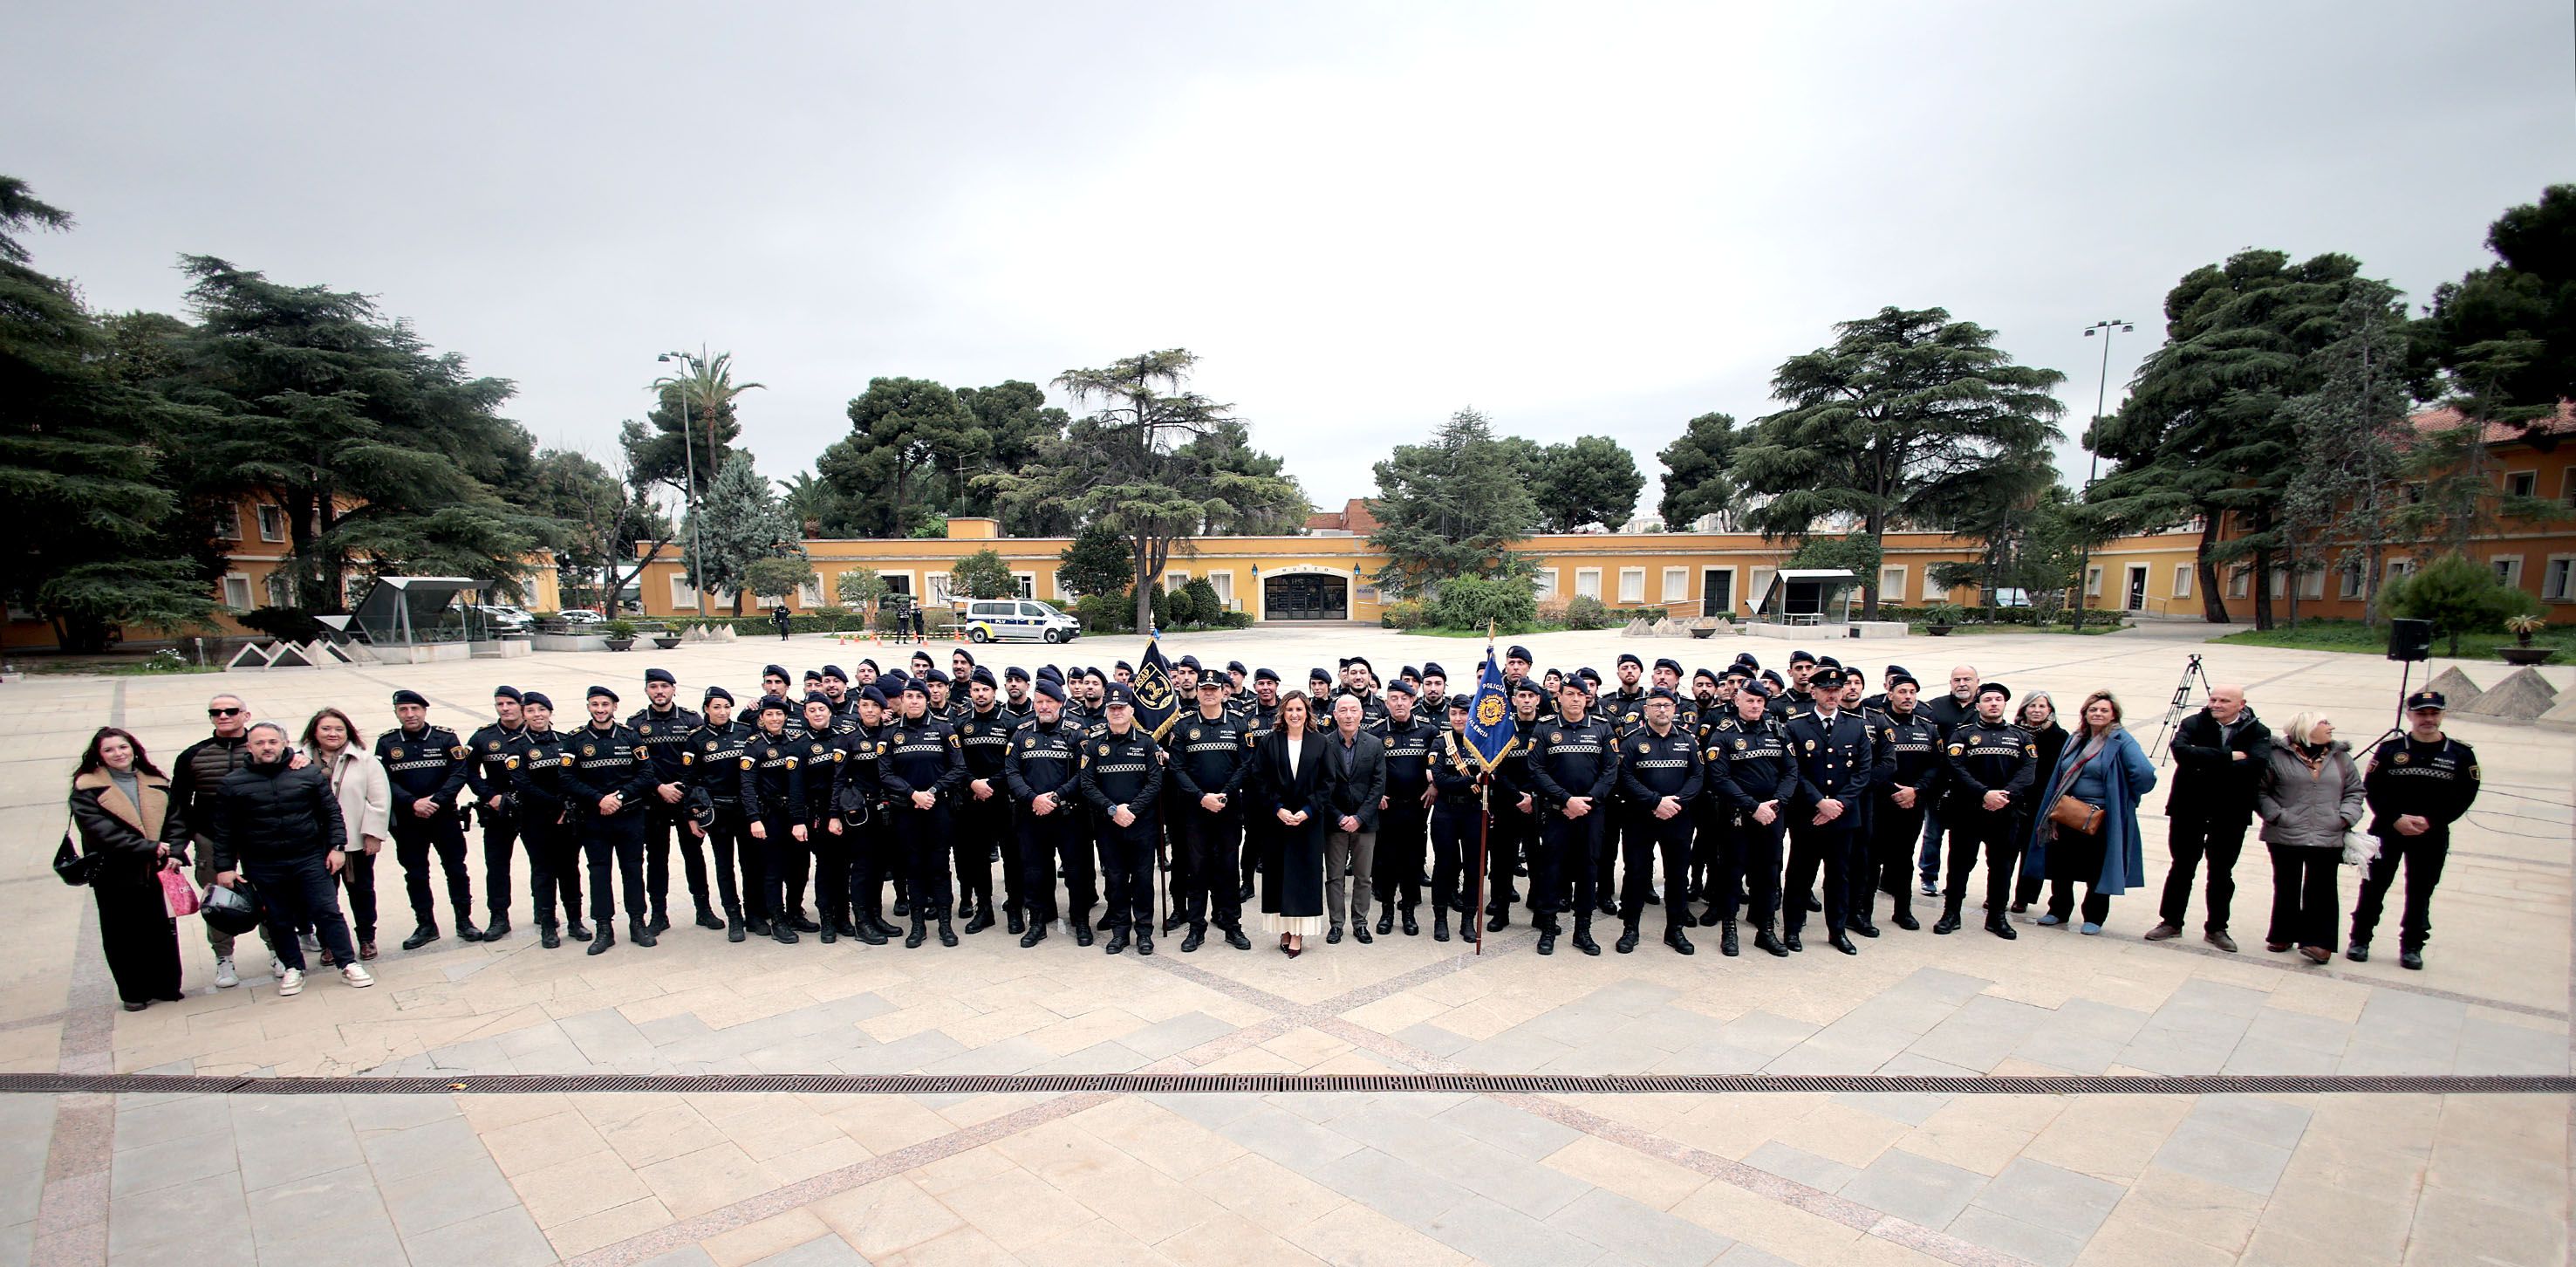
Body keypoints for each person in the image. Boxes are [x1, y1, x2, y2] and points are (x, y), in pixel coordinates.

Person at [207, 723, 372, 996]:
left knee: (327, 910)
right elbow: (224, 830)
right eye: (259, 743)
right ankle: (293, 967)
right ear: (249, 747)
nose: (267, 747)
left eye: (273, 741)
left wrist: (337, 847)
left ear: (284, 743)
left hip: (309, 857)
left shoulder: (306, 773)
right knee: (278, 918)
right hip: (263, 862)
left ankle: (348, 963)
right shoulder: (232, 784)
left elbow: (331, 812)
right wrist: (224, 867)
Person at [2351, 689, 2480, 970]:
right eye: (2422, 714)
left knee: (2420, 891)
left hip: (2431, 834)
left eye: (2434, 713)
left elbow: (2465, 794)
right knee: (2373, 887)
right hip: (2388, 830)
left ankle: (2412, 946)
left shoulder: (2460, 754)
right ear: (2409, 715)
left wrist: (2432, 820)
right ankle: (2360, 939)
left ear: (2443, 715)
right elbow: (2373, 789)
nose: (2428, 719)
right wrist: (2395, 817)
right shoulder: (2390, 750)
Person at [68, 728, 190, 1010]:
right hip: (115, 873)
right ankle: (134, 992)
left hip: (154, 872)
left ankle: (166, 985)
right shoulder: (87, 788)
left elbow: (176, 820)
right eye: (109, 750)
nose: (118, 754)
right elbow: (100, 832)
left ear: (133, 748)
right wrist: (148, 848)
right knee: (121, 935)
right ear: (98, 756)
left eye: (122, 747)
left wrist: (173, 848)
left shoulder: (155, 781)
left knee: (161, 930)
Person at [2147, 684, 2270, 953]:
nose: (2216, 704)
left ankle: (2216, 927)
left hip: (2231, 812)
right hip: (2188, 807)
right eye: (2213, 699)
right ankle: (2171, 921)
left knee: (2222, 871)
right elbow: (2181, 753)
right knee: (2181, 866)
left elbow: (2257, 765)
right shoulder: (2193, 723)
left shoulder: (2258, 731)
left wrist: (2205, 762)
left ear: (2241, 704)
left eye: (2224, 700)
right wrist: (2229, 757)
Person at [2024, 691, 2157, 935]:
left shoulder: (2121, 740)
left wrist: (2124, 795)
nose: (2097, 714)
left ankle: (2094, 916)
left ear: (2114, 714)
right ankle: (2059, 910)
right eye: (2093, 710)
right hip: (2066, 810)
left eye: (2103, 710)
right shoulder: (2077, 738)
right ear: (2085, 713)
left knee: (2096, 867)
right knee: (2060, 864)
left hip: (2099, 816)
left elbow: (2145, 774)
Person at [2254, 710, 2363, 964]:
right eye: (2324, 723)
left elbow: (2355, 791)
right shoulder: (2276, 756)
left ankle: (2319, 943)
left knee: (2322, 888)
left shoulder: (2341, 758)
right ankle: (2283, 933)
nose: (2331, 727)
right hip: (2285, 831)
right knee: (2286, 884)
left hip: (2328, 831)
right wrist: (2277, 815)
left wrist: (2345, 817)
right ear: (2306, 728)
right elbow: (2260, 791)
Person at [375, 689, 479, 949]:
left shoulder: (445, 737)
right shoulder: (387, 743)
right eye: (403, 710)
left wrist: (436, 800)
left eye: (415, 709)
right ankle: (426, 925)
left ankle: (464, 920)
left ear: (424, 710)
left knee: (456, 869)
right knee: (416, 873)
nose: (410, 714)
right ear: (396, 712)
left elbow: (459, 772)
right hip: (409, 820)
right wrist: (413, 802)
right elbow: (383, 780)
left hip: (443, 816)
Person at [171, 693, 261, 988]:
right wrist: (176, 846)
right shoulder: (192, 756)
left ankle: (278, 950)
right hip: (211, 838)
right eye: (216, 712)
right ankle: (224, 957)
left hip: (259, 837)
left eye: (231, 711)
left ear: (245, 715)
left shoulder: (264, 746)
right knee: (218, 901)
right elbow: (179, 804)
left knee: (268, 895)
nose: (223, 716)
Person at [1780, 667, 1872, 955]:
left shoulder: (1856, 726)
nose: (1832, 695)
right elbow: (1794, 771)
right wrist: (1820, 802)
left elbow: (1862, 771)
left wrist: (1838, 805)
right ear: (1814, 692)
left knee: (1839, 877)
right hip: (1808, 815)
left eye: (1837, 690)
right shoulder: (1796, 727)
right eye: (1826, 690)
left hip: (1843, 818)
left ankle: (1838, 930)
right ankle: (1793, 929)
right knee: (1799, 874)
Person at [563, 685, 657, 955]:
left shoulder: (630, 736)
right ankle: (604, 928)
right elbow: (567, 778)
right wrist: (598, 799)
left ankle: (638, 924)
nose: (600, 709)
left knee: (633, 871)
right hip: (595, 819)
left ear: (615, 707)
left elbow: (646, 774)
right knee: (599, 873)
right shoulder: (575, 740)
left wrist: (619, 796)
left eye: (605, 704)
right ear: (589, 707)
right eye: (595, 704)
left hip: (629, 816)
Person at [1936, 682, 2033, 940]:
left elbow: (2027, 771)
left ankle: (1997, 917)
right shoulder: (1963, 735)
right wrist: (1984, 793)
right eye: (1988, 699)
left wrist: (2004, 795)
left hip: (2005, 811)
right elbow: (1955, 767)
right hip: (1968, 810)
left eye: (1998, 700)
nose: (1993, 703)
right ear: (1978, 705)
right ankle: (1951, 913)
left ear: (2004, 705)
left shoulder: (2021, 737)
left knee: (2002, 866)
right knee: (1959, 864)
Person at [1526, 679, 1615, 956]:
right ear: (1560, 697)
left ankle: (1583, 931)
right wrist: (1566, 800)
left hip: (1590, 814)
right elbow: (1536, 770)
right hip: (1557, 813)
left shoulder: (1601, 727)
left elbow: (1610, 771)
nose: (1575, 699)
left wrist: (1585, 802)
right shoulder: (1545, 728)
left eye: (1581, 695)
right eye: (1570, 695)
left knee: (1588, 871)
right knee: (1552, 870)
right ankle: (1549, 928)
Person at [1008, 678, 1096, 947]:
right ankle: (1037, 922)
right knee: (1035, 871)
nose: (1044, 707)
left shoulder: (1077, 733)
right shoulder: (1021, 733)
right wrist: (1033, 799)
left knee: (1076, 871)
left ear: (1060, 703)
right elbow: (1011, 772)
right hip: (1032, 815)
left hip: (1069, 815)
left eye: (1049, 702)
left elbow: (1085, 774)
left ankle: (1080, 921)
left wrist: (1057, 797)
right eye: (1039, 702)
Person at [1170, 674, 1255, 951]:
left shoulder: (1238, 724)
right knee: (1197, 870)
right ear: (1197, 692)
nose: (1208, 693)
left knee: (1229, 870)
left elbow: (1246, 765)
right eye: (1204, 689)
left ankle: (1232, 926)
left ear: (1223, 692)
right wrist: (1201, 797)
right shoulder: (1183, 727)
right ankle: (1196, 928)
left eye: (1213, 689)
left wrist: (1224, 794)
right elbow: (1177, 768)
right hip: (1195, 811)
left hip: (1228, 810)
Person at [1616, 688, 1702, 955]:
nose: (1662, 710)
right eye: (1656, 705)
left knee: (1677, 875)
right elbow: (1625, 778)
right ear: (1647, 710)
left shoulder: (1688, 741)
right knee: (1636, 874)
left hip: (1677, 818)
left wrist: (1676, 803)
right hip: (1640, 818)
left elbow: (1698, 776)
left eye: (1666, 705)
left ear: (1675, 709)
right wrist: (1655, 802)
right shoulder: (1632, 741)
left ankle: (1675, 930)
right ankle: (1631, 929)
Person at [1081, 683, 1165, 955]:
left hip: (1142, 826)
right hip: (1109, 826)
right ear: (1106, 712)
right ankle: (1119, 932)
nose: (1116, 712)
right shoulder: (1095, 745)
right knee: (1115, 880)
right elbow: (1087, 784)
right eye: (1112, 708)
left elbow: (1155, 783)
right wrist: (1113, 809)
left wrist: (1132, 810)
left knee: (1142, 880)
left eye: (1121, 708)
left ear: (1131, 711)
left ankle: (1143, 932)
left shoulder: (1146, 743)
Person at [302, 708, 388, 963]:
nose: (333, 734)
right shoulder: (298, 761)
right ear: (314, 732)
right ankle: (330, 943)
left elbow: (379, 800)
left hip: (355, 841)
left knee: (361, 891)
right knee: (322, 897)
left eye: (339, 729)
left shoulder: (364, 760)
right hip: (315, 843)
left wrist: (373, 834)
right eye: (326, 729)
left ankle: (366, 938)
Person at [630, 668, 711, 934]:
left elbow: (700, 760)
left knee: (694, 855)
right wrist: (658, 787)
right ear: (646, 691)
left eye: (664, 686)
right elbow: (635, 765)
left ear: (674, 689)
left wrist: (687, 792)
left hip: (687, 801)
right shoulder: (636, 724)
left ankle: (704, 909)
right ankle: (659, 913)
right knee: (657, 857)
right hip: (654, 800)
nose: (659, 691)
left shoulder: (690, 719)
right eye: (654, 687)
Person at [506, 692, 588, 948]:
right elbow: (521, 783)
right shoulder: (516, 745)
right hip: (536, 818)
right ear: (524, 714)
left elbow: (575, 775)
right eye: (530, 711)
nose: (537, 715)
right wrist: (555, 803)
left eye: (542, 709)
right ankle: (548, 925)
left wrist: (567, 804)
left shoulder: (566, 741)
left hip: (568, 817)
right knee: (543, 871)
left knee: (569, 869)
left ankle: (575, 921)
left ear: (550, 713)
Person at [1861, 673, 1941, 934]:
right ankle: (1864, 911)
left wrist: (1916, 790)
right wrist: (1893, 790)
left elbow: (1936, 765)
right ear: (1890, 694)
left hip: (1913, 802)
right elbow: (1870, 765)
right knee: (1872, 860)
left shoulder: (1927, 727)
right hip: (1881, 802)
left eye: (1912, 693)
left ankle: (1903, 911)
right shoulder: (1878, 725)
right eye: (1902, 692)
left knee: (1904, 859)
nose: (1908, 697)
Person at [1253, 692, 1330, 956]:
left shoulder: (1320, 743)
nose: (1294, 714)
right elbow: (1259, 780)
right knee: (1278, 876)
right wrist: (1277, 809)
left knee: (1302, 877)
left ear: (1307, 712)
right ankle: (1283, 930)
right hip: (1278, 822)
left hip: (1308, 822)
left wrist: (1308, 810)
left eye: (1299, 709)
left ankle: (1297, 933)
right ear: (1282, 714)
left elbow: (1328, 782)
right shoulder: (1269, 742)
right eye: (1289, 710)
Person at [1318, 693, 1388, 945]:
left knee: (1363, 877)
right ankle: (1336, 924)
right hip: (1334, 821)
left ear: (1361, 714)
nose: (1348, 715)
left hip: (1365, 822)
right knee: (1334, 876)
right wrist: (1338, 816)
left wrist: (1359, 817)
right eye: (1343, 710)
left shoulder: (1374, 744)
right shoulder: (1323, 744)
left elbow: (1378, 785)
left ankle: (1360, 923)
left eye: (1353, 710)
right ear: (1335, 715)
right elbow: (1321, 786)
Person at [1370, 681, 1437, 936]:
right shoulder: (1376, 733)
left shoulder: (1428, 731)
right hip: (1387, 810)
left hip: (1416, 809)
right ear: (1386, 703)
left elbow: (1438, 764)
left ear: (1413, 700)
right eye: (1394, 698)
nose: (1399, 703)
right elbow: (1368, 771)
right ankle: (1387, 911)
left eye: (1404, 698)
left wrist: (1435, 787)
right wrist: (1376, 795)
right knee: (1386, 863)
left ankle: (1408, 912)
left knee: (1412, 863)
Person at [463, 687, 527, 942]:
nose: (505, 708)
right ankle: (499, 917)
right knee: (497, 865)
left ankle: (545, 912)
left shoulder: (536, 733)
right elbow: (467, 771)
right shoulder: (483, 737)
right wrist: (489, 795)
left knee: (543, 865)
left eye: (510, 703)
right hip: (497, 810)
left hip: (531, 809)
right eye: (500, 704)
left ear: (521, 705)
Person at [1916, 665, 1980, 896]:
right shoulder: (1935, 707)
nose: (1961, 684)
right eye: (1957, 680)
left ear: (1977, 682)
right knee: (1933, 833)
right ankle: (1928, 876)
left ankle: (1956, 880)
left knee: (1962, 838)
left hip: (1969, 786)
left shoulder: (1983, 707)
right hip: (1939, 783)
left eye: (1967, 679)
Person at [2005, 693, 2065, 913]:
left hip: (2041, 801)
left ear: (2050, 710)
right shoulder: (2012, 732)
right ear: (2024, 709)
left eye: (2042, 706)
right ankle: (1999, 893)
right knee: (2007, 850)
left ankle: (2023, 897)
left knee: (2033, 851)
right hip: (2014, 798)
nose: (2037, 710)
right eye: (2032, 706)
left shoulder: (2059, 736)